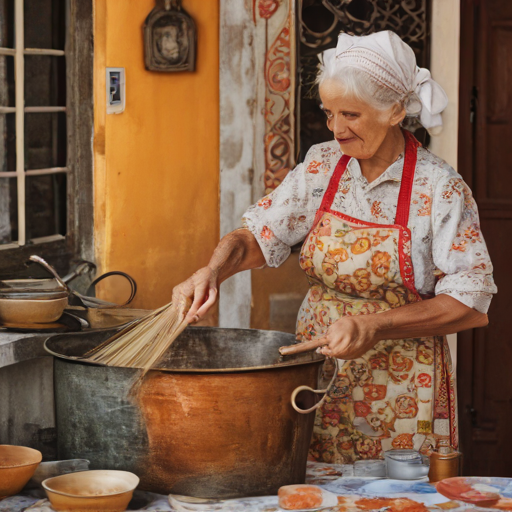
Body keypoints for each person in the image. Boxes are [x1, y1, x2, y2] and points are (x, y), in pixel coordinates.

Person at [172, 31, 497, 463]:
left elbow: (471, 303)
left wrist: (375, 325)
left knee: (392, 500)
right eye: (328, 113)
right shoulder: (323, 165)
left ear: (395, 111)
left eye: (351, 114)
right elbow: (257, 235)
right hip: (317, 370)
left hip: (404, 385)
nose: (335, 128)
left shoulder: (440, 188)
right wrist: (213, 271)